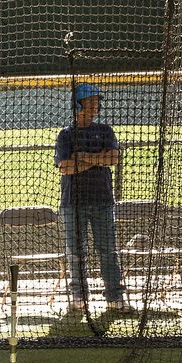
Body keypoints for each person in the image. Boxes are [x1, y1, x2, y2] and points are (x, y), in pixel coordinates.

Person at [54, 82, 128, 312]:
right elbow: (65, 166)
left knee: (107, 251)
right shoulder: (66, 135)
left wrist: (84, 157)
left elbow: (114, 158)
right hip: (72, 203)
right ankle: (79, 297)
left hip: (102, 201)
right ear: (79, 104)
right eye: (92, 100)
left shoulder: (105, 130)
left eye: (97, 100)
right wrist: (97, 158)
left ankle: (114, 297)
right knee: (76, 253)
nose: (96, 104)